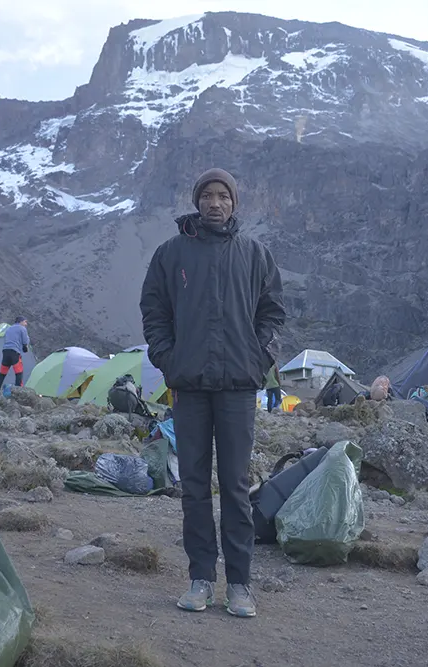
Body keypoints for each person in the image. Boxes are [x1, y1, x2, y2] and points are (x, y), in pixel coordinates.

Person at [140, 168, 285, 618]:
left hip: (239, 387)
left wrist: (260, 357)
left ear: (234, 203)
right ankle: (200, 577)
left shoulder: (255, 255)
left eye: (223, 195)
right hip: (190, 387)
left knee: (237, 488)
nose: (215, 203)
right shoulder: (171, 254)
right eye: (208, 195)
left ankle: (239, 584)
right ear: (197, 201)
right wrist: (169, 359)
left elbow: (273, 313)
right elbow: (154, 310)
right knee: (195, 487)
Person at [0, 317, 30, 394]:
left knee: (2, 373)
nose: (26, 324)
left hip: (5, 352)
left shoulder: (9, 329)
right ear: (21, 322)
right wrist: (26, 346)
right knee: (19, 372)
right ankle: (18, 392)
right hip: (14, 352)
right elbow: (25, 342)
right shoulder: (22, 329)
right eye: (25, 322)